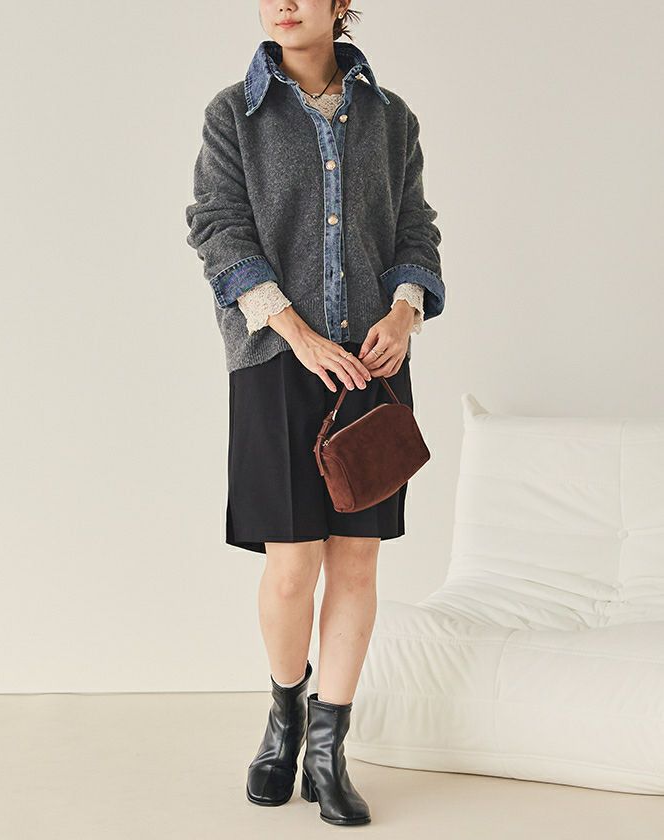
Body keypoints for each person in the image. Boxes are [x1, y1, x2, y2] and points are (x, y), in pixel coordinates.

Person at [185, 1, 445, 826]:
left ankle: (329, 753)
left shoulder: (391, 118)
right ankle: (285, 718)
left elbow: (415, 230)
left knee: (357, 564)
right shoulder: (234, 113)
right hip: (275, 360)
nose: (284, 5)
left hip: (372, 365)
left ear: (341, 6)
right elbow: (219, 230)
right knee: (292, 564)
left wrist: (403, 313)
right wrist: (296, 332)